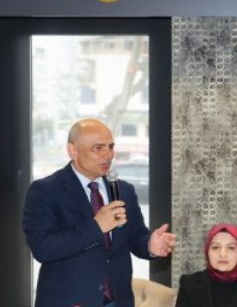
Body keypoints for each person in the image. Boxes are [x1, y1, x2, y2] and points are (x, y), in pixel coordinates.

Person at [23, 118, 177, 307]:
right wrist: (96, 226)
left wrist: (150, 245)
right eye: (98, 148)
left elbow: (136, 237)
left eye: (111, 147)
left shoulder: (123, 190)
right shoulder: (46, 190)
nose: (108, 155)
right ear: (73, 150)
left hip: (117, 301)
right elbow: (43, 248)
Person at [176, 223, 237, 307]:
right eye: (215, 247)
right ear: (207, 251)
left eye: (231, 248)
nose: (223, 254)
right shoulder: (189, 285)